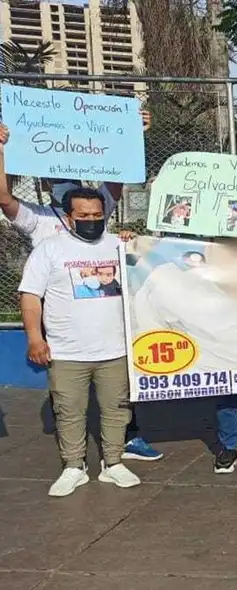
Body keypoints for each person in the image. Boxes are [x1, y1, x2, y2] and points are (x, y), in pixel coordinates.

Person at [0, 121, 164, 462]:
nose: (91, 216)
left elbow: (115, 181)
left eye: (96, 213)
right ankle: (74, 458)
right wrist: (2, 149)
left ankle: (125, 442)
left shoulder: (97, 210)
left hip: (108, 318)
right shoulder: (39, 220)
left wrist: (132, 136)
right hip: (60, 310)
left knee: (118, 391)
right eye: (60, 184)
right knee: (69, 392)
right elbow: (4, 198)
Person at [18, 187, 142, 497]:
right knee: (69, 410)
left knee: (117, 408)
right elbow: (31, 296)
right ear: (69, 217)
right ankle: (74, 467)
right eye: (83, 216)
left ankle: (113, 463)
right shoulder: (49, 250)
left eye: (97, 215)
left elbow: (150, 272)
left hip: (115, 349)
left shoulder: (118, 245)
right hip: (67, 350)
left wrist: (134, 242)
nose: (91, 220)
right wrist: (35, 338)